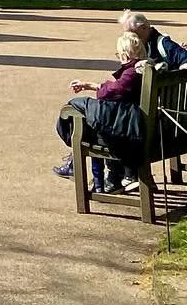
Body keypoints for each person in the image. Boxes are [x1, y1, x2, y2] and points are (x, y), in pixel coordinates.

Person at [53, 31, 146, 194]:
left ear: (124, 54)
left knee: (81, 112)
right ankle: (86, 170)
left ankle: (95, 179)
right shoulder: (144, 69)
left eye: (119, 54)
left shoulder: (133, 73)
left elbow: (109, 92)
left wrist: (93, 87)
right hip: (136, 125)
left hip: (126, 129)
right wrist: (90, 85)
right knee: (92, 115)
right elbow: (116, 90)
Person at [119, 9, 187, 69]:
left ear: (143, 28)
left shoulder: (163, 44)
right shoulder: (138, 47)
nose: (128, 36)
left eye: (131, 32)